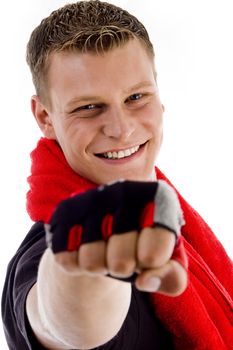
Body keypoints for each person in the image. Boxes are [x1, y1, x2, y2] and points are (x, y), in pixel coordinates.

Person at [1, 1, 233, 349]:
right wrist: (86, 267)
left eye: (136, 97)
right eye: (88, 107)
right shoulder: (44, 255)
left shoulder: (166, 216)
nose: (121, 129)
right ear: (45, 117)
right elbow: (62, 321)